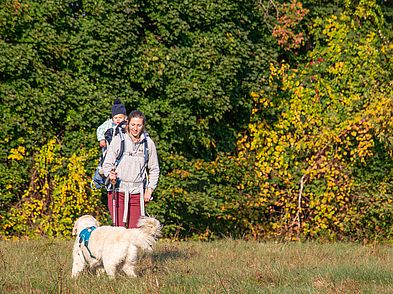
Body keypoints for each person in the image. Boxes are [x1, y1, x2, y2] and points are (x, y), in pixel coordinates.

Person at [102, 110, 160, 228]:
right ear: (127, 123)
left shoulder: (148, 144)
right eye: (133, 125)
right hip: (118, 190)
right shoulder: (119, 140)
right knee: (119, 232)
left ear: (143, 126)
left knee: (136, 232)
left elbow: (154, 169)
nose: (135, 128)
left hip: (138, 193)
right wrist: (110, 175)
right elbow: (107, 164)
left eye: (139, 125)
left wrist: (150, 189)